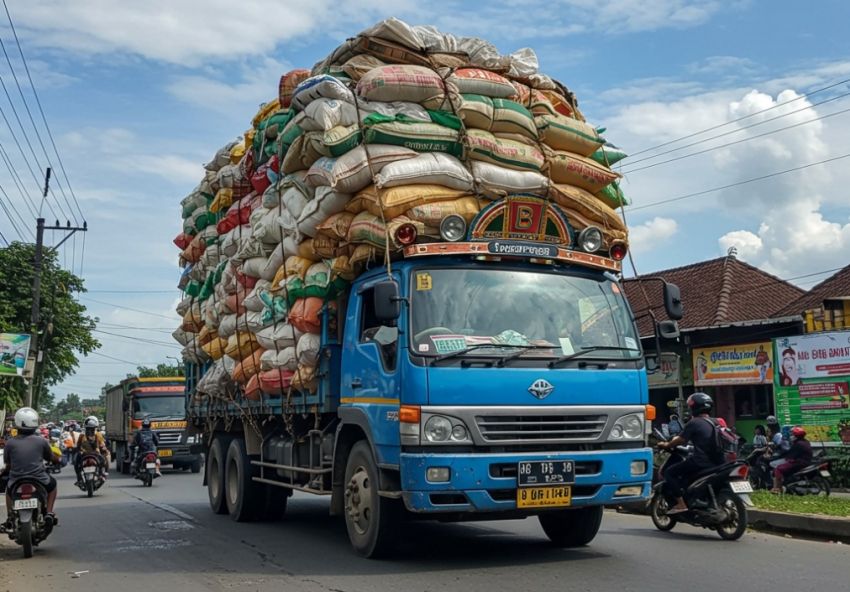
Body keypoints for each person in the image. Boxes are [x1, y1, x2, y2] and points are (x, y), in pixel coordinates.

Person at [657, 392, 724, 514]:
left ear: (694, 407)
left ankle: (681, 504)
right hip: (719, 462)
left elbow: (681, 440)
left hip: (700, 462)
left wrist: (667, 445)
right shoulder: (717, 422)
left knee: (669, 473)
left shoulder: (694, 423)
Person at [0, 407, 61, 532]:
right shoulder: (41, 441)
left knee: (9, 491)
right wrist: (57, 460)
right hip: (39, 478)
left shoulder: (10, 443)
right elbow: (50, 457)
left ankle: (10, 517)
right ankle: (49, 512)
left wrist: (6, 471)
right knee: (53, 486)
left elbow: (8, 463)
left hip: (17, 479)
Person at [772, 426, 813, 493]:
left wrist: (781, 457)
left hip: (799, 462)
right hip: (806, 462)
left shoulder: (798, 444)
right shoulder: (805, 442)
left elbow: (790, 456)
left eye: (792, 434)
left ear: (796, 436)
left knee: (778, 468)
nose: (791, 436)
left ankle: (778, 489)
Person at [74, 416, 109, 485]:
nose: (90, 431)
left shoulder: (97, 435)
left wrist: (104, 449)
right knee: (76, 463)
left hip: (93, 454)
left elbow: (102, 445)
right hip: (88, 454)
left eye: (91, 429)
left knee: (105, 460)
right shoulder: (83, 435)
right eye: (89, 429)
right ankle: (79, 478)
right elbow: (78, 446)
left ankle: (102, 474)